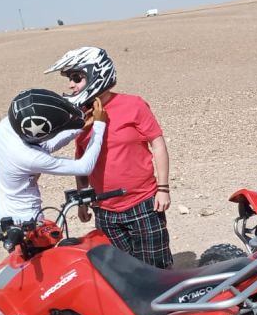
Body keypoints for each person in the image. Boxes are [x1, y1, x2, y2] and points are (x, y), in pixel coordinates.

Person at [44, 46, 173, 268]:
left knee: (156, 270)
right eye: (70, 79)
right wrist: (82, 200)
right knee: (122, 274)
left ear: (97, 73)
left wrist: (163, 188)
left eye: (76, 77)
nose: (70, 85)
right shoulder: (81, 116)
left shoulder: (134, 105)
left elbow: (158, 144)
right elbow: (81, 159)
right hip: (104, 210)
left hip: (143, 203)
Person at [0, 88, 107, 235]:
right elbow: (84, 167)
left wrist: (80, 128)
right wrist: (99, 126)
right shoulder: (28, 157)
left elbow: (44, 145)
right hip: (25, 225)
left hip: (2, 217)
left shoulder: (6, 125)